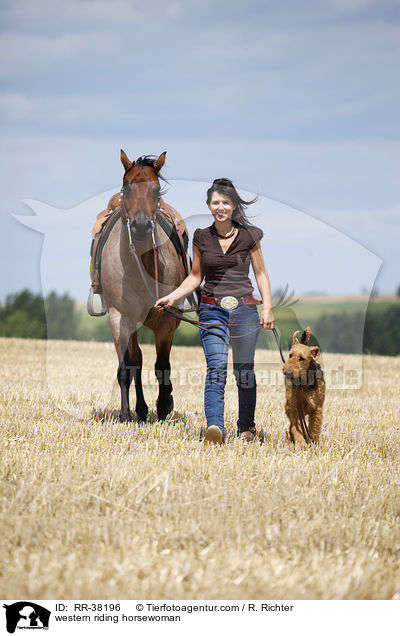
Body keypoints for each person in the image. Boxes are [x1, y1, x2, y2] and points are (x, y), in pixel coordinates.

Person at [155, 178, 274, 444]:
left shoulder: (249, 236)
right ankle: (215, 428)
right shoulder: (201, 237)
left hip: (245, 310)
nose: (220, 207)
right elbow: (195, 277)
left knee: (244, 371)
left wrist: (267, 308)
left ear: (233, 206)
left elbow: (261, 274)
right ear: (209, 205)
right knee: (216, 368)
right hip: (211, 309)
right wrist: (172, 298)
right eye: (215, 202)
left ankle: (246, 428)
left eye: (225, 202)